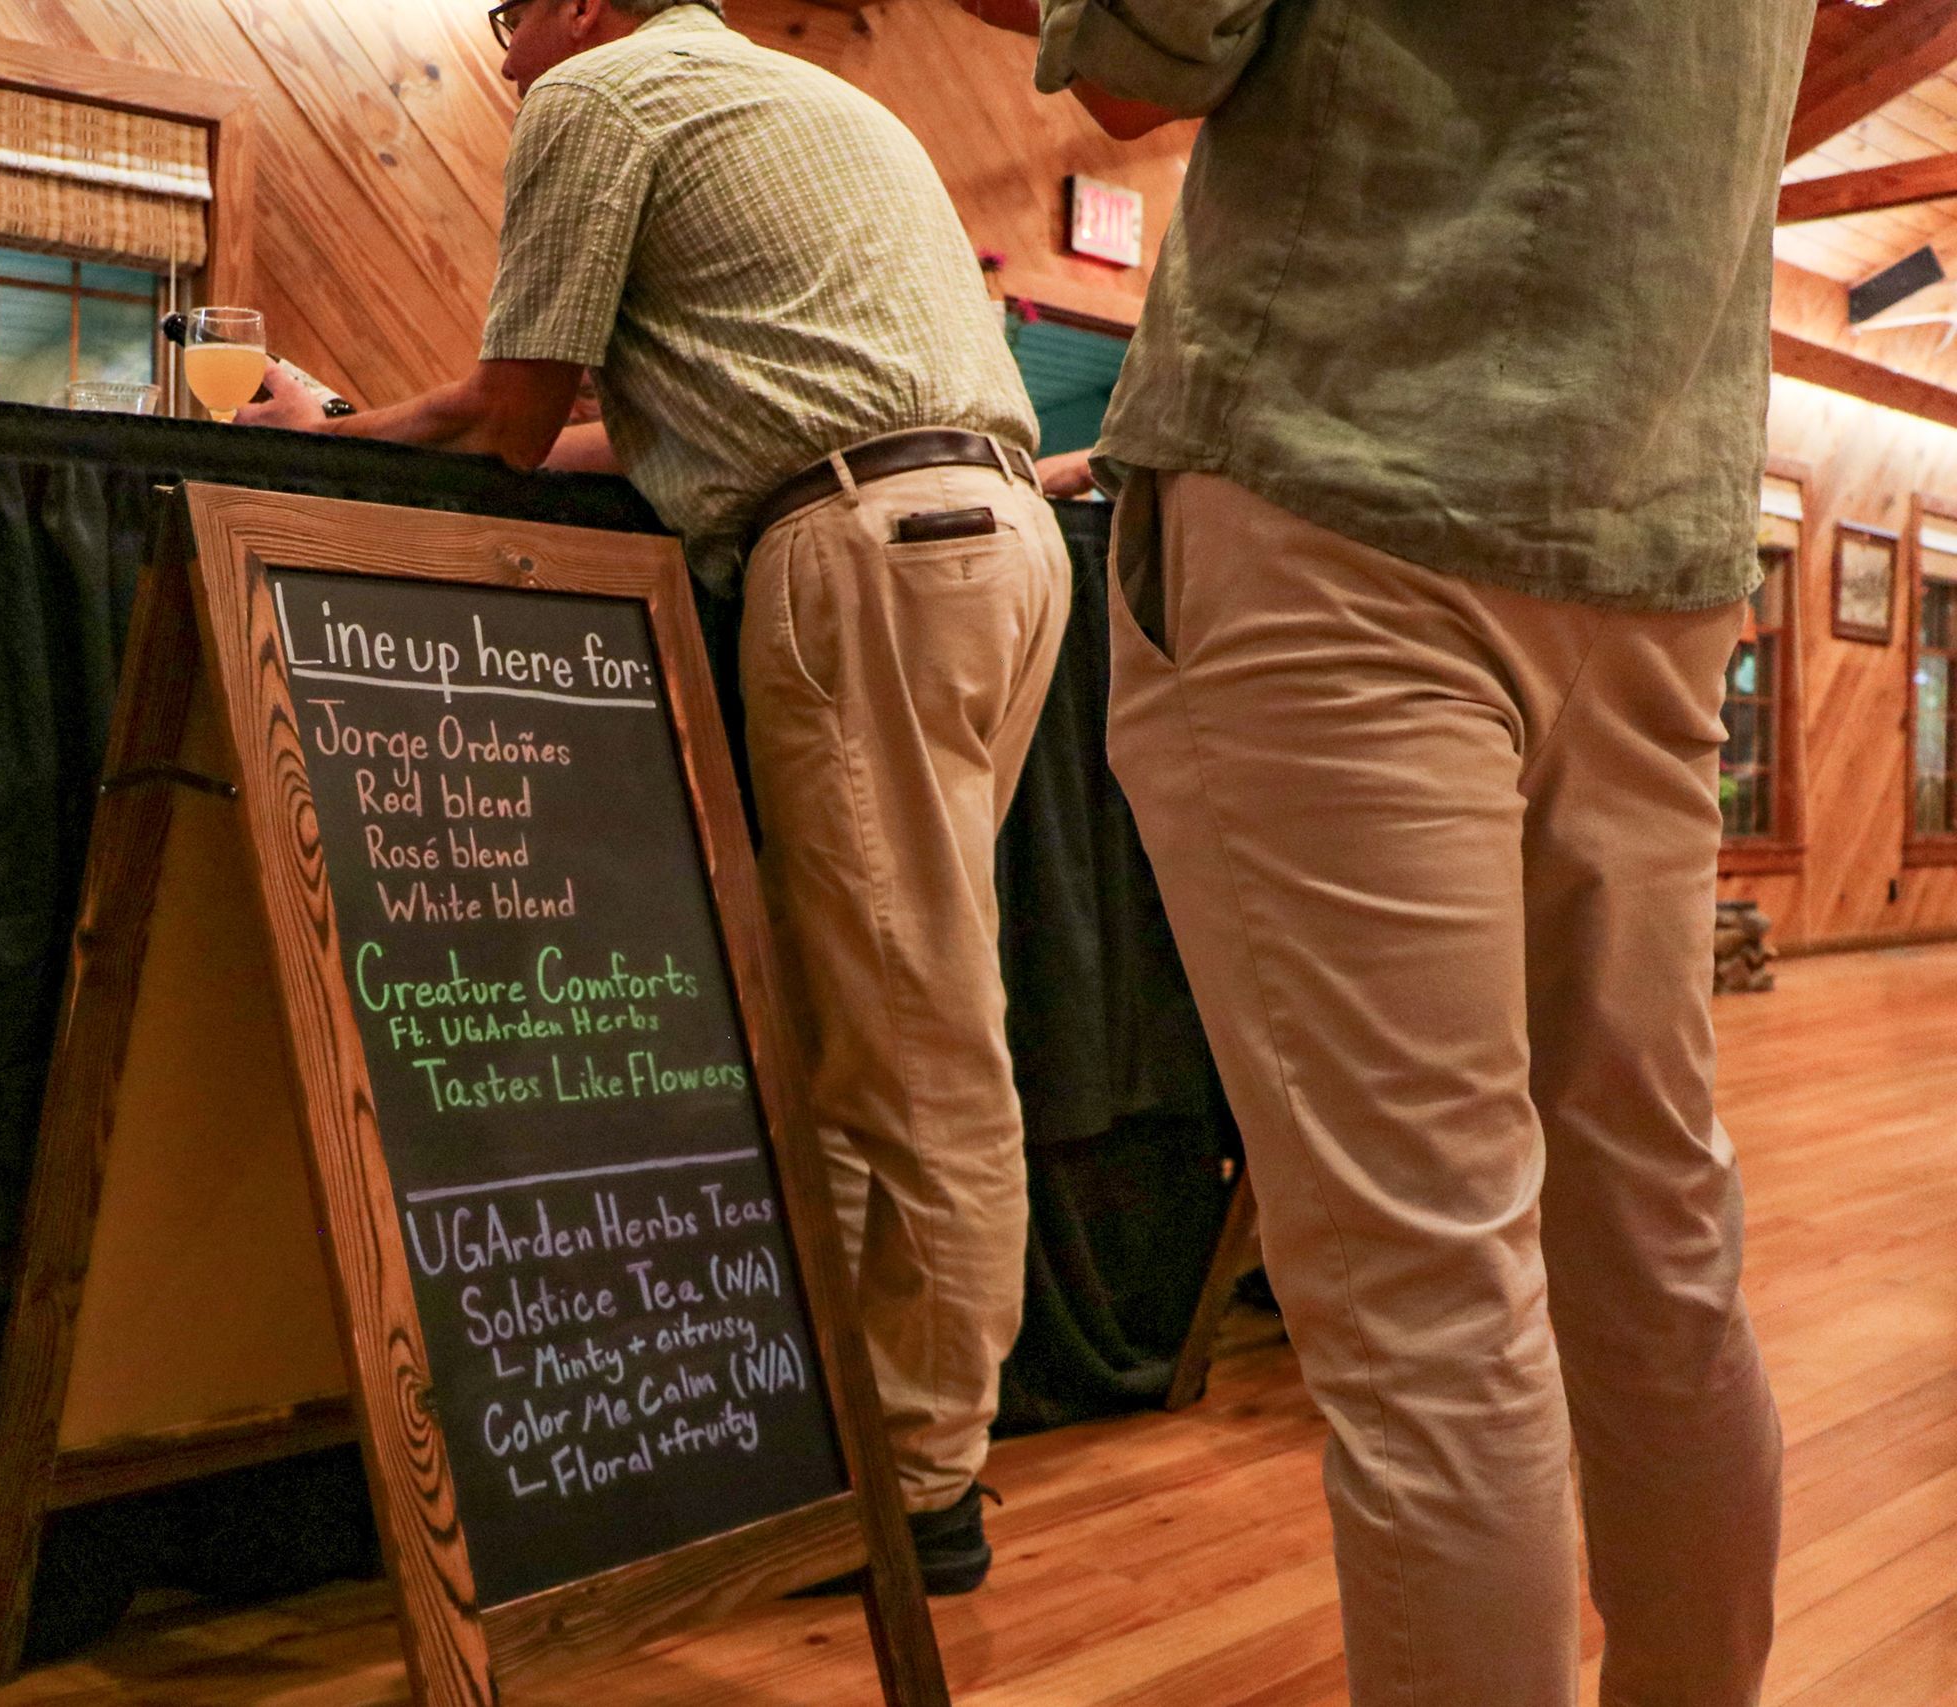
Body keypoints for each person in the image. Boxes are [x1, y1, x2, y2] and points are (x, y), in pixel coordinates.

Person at [947, 0, 1811, 1700]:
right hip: (1651, 532)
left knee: (1431, 1304)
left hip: (1346, 471)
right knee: (1655, 1244)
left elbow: (1140, 56)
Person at [236, 0, 1070, 1594]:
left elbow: (512, 419)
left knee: (915, 1044)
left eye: (509, 15)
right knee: (861, 1016)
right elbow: (633, 435)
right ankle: (856, 1440)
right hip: (989, 538)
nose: (501, 55)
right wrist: (375, 422)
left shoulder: (602, 94)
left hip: (857, 553)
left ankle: (924, 1493)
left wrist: (333, 430)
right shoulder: (795, 95)